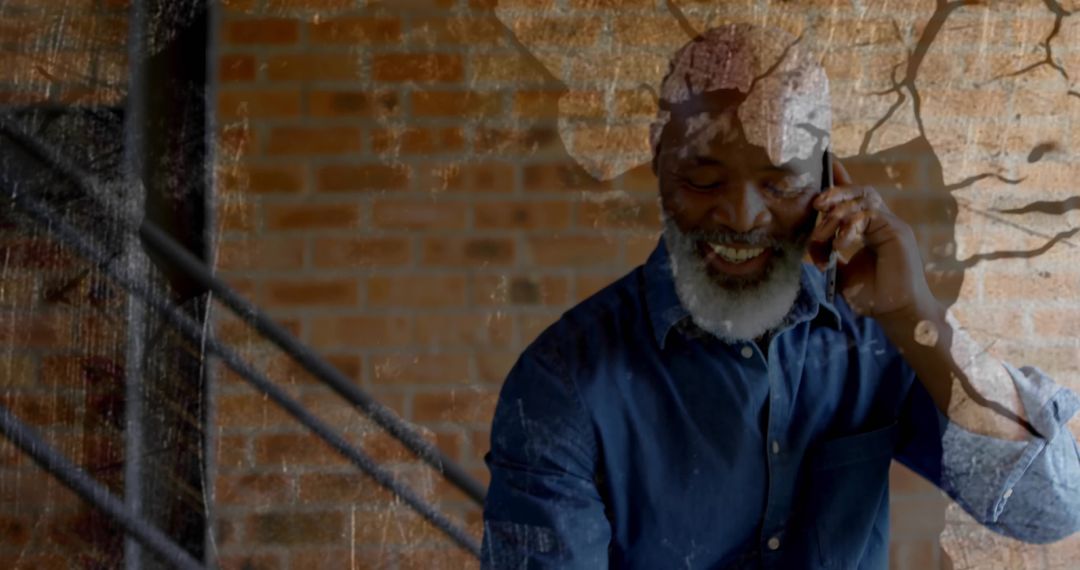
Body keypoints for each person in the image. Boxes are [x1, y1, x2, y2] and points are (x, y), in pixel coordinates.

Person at [479, 24, 1080, 569]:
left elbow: (1049, 508)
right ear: (658, 161)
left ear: (825, 177)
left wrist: (914, 314)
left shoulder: (878, 339)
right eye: (704, 180)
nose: (742, 216)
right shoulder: (563, 380)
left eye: (781, 182)